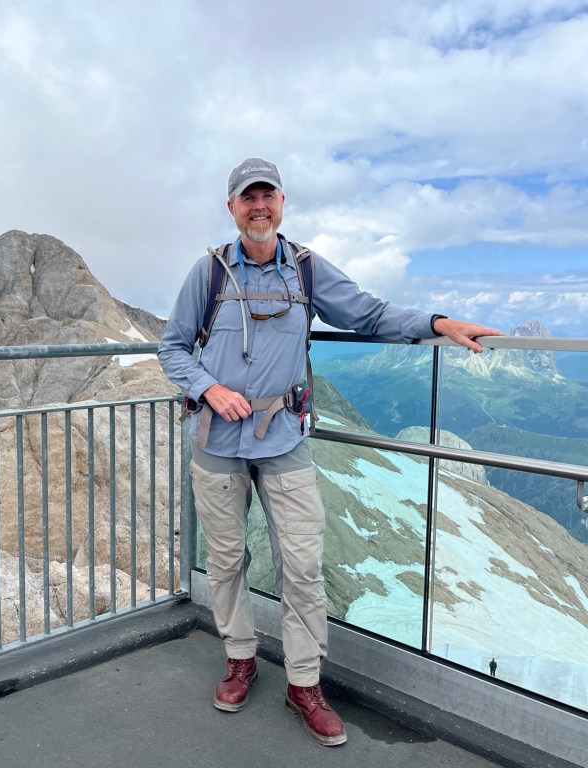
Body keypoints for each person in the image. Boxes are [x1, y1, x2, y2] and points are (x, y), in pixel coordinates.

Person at [158, 157, 504, 747]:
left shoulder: (306, 270)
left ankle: (303, 683)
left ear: (282, 202)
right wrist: (209, 388)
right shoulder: (209, 272)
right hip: (217, 438)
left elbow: (369, 313)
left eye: (267, 196)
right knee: (225, 560)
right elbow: (172, 348)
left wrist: (438, 323)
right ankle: (240, 658)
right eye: (248, 198)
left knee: (302, 564)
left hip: (284, 439)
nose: (259, 206)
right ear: (232, 207)